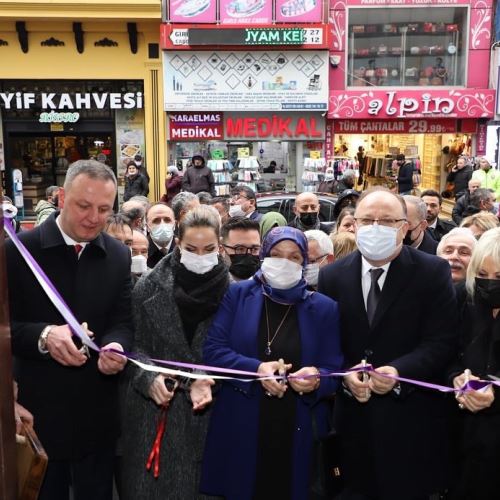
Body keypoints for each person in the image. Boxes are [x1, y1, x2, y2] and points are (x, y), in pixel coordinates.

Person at [318, 188, 458, 499]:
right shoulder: (331, 276)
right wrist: (345, 374)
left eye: (387, 220)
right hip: (351, 425)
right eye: (367, 220)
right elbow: (326, 343)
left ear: (405, 226)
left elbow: (442, 340)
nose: (376, 227)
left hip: (410, 424)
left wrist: (398, 371)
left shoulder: (432, 272)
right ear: (354, 224)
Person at [6, 159, 133, 500]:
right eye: (84, 206)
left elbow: (122, 320)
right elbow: (4, 330)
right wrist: (44, 336)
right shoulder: (18, 252)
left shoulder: (118, 255)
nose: (94, 218)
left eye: (104, 209)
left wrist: (116, 348)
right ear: (61, 198)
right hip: (37, 415)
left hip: (97, 415)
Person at [200, 226, 343, 500]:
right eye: (276, 255)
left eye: (294, 257)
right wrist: (256, 369)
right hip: (243, 420)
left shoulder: (324, 307)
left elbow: (334, 371)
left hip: (298, 424)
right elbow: (214, 351)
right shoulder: (239, 295)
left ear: (305, 262)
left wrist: (316, 378)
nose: (284, 263)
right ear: (263, 256)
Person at [121, 205, 229, 500]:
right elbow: (134, 346)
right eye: (191, 248)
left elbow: (235, 353)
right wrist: (148, 377)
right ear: (178, 244)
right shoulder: (148, 286)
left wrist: (209, 378)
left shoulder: (234, 293)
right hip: (154, 418)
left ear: (219, 247)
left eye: (208, 248)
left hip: (210, 421)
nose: (200, 256)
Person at [448, 227, 500, 500]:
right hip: (464, 438)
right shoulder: (462, 299)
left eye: (499, 277)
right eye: (482, 275)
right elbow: (445, 352)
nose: (489, 283)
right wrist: (455, 376)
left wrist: (495, 394)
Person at [221, 216, 261, 282]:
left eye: (255, 249)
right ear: (222, 249)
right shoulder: (211, 286)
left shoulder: (267, 285)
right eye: (240, 249)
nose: (249, 255)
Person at [145, 202, 176, 268]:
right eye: (156, 221)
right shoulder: (140, 250)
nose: (162, 224)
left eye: (167, 220)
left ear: (175, 224)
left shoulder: (184, 249)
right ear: (147, 227)